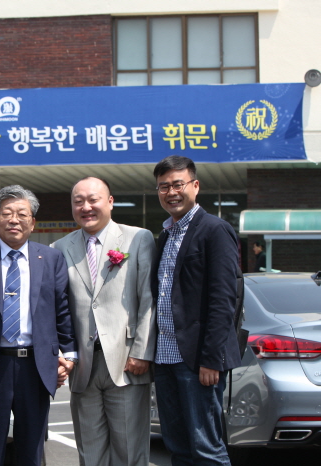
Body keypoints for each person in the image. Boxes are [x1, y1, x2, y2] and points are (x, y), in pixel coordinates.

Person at [0, 185, 77, 466]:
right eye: (6, 213)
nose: (14, 220)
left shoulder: (51, 258)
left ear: (33, 222)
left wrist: (70, 355)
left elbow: (61, 309)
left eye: (22, 214)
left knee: (31, 450)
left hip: (35, 367)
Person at [52, 177, 156, 466]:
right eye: (78, 201)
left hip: (127, 362)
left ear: (110, 202)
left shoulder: (138, 238)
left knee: (129, 451)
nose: (86, 207)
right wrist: (62, 354)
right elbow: (56, 308)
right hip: (82, 366)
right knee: (90, 453)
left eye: (93, 199)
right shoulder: (59, 247)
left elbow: (148, 298)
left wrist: (142, 351)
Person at [151, 155, 242, 466]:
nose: (172, 192)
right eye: (164, 187)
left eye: (178, 184)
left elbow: (224, 299)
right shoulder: (166, 234)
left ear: (195, 186)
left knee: (207, 449)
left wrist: (211, 359)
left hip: (197, 360)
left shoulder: (214, 230)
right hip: (165, 357)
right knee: (177, 447)